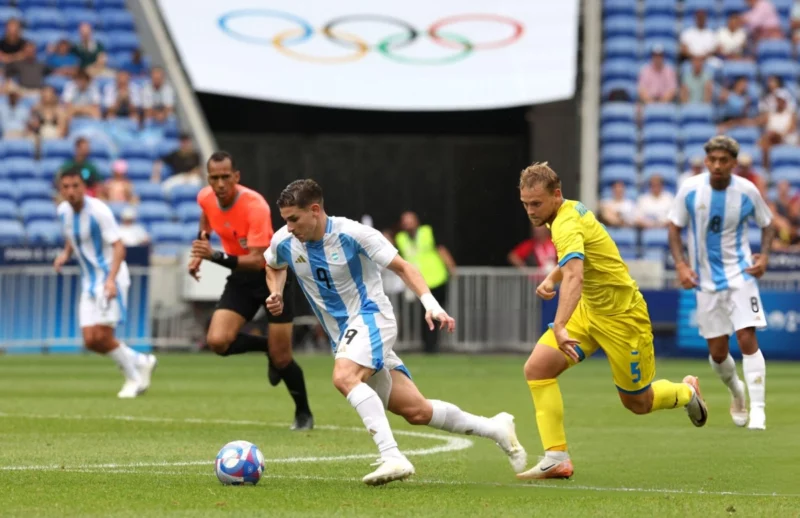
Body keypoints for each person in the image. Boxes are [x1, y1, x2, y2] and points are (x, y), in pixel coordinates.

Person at [263, 179, 526, 486]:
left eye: (294, 219)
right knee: (416, 410)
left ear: (315, 210)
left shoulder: (354, 234)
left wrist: (430, 304)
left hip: (372, 318)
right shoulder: (284, 240)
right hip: (345, 335)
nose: (290, 227)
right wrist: (277, 292)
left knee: (344, 377)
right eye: (285, 220)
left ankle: (392, 456)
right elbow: (273, 265)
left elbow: (404, 267)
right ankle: (494, 427)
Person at [515, 162, 707, 481]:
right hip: (590, 312)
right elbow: (577, 260)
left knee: (637, 403)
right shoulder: (567, 212)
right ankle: (556, 456)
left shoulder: (565, 223)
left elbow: (575, 275)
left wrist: (559, 325)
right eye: (525, 204)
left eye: (536, 203)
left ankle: (686, 392)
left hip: (623, 319)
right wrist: (551, 277)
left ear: (556, 195)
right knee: (537, 369)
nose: (531, 211)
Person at [189, 151, 313, 431]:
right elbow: (206, 220)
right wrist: (201, 248)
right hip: (241, 277)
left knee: (283, 358)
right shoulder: (205, 197)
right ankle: (266, 349)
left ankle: (304, 412)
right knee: (218, 341)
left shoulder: (254, 206)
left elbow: (259, 260)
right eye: (214, 178)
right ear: (208, 178)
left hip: (273, 276)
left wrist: (215, 256)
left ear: (236, 177)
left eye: (225, 177)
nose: (219, 184)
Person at [667, 136, 774, 430]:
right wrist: (681, 264)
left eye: (723, 160)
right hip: (705, 282)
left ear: (733, 163)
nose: (716, 165)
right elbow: (674, 227)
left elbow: (768, 223)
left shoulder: (747, 191)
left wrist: (763, 257)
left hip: (741, 276)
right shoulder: (690, 189)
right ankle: (736, 391)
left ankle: (759, 411)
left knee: (747, 337)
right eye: (712, 160)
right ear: (706, 161)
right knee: (717, 352)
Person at [53, 167, 157, 398]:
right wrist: (65, 254)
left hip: (110, 277)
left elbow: (118, 246)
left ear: (84, 187)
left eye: (75, 186)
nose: (71, 191)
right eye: (66, 187)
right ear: (61, 189)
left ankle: (134, 379)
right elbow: (72, 236)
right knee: (90, 340)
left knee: (102, 335)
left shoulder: (99, 211)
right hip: (89, 280)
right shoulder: (63, 211)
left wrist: (110, 281)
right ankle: (142, 360)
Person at [395, 211, 456, 354]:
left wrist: (451, 267)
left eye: (410, 220)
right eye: (405, 221)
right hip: (418, 282)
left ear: (417, 221)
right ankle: (428, 346)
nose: (408, 224)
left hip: (437, 279)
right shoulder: (400, 238)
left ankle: (433, 345)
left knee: (437, 313)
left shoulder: (427, 232)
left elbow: (441, 249)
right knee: (424, 315)